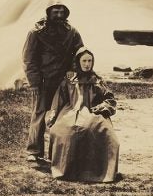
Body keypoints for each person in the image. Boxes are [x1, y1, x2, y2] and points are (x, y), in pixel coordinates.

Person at [22, 0, 84, 162]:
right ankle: (34, 151)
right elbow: (29, 60)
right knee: (40, 114)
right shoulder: (36, 32)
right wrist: (34, 83)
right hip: (43, 81)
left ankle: (57, 152)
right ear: (48, 12)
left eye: (62, 10)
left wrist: (73, 69)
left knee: (62, 115)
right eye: (55, 10)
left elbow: (79, 53)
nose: (59, 13)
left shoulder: (71, 32)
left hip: (63, 81)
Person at [46, 47, 119, 182]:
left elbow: (110, 99)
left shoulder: (97, 80)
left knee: (104, 132)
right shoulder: (69, 80)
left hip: (92, 111)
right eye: (84, 61)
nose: (87, 64)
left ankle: (99, 172)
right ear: (78, 62)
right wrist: (53, 117)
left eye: (90, 61)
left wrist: (102, 107)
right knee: (64, 131)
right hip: (71, 110)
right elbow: (58, 100)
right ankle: (68, 170)